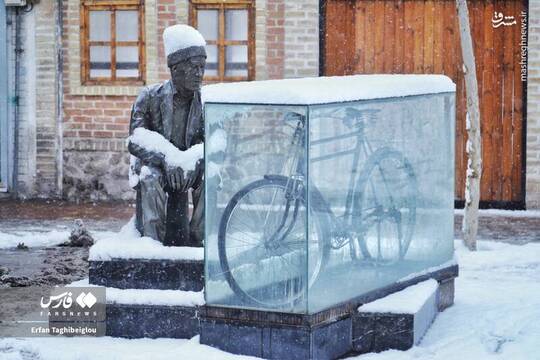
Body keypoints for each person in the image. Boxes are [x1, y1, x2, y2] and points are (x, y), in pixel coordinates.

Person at [127, 25, 206, 247]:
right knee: (149, 177)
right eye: (194, 68)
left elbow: (217, 140)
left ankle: (199, 241)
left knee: (212, 178)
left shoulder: (206, 100)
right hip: (159, 167)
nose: (200, 74)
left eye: (202, 67)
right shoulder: (150, 96)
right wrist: (167, 158)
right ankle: (152, 245)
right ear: (175, 69)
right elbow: (136, 137)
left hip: (191, 167)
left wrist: (191, 161)